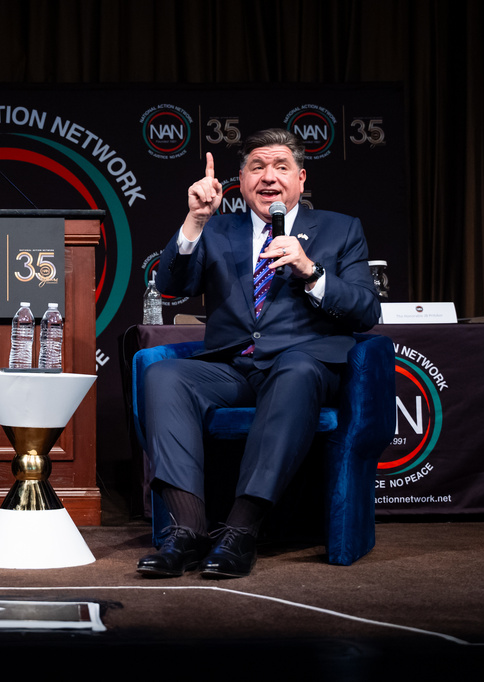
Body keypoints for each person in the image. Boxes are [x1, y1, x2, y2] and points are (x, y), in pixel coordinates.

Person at [137, 128, 380, 579]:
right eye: (256, 167)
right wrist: (194, 222)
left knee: (296, 370)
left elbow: (366, 311)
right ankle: (186, 533)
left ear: (301, 178)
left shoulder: (340, 229)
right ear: (241, 181)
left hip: (301, 365)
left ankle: (240, 533)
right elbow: (170, 287)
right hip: (233, 366)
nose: (269, 177)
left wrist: (311, 271)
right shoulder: (217, 228)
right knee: (163, 376)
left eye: (281, 166)